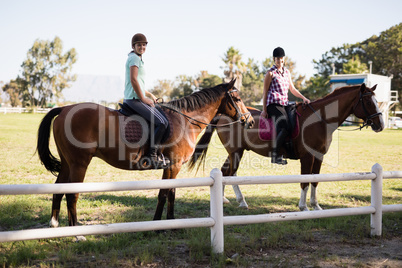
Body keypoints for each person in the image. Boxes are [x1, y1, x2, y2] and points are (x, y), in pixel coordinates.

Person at [123, 33, 169, 169]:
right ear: (133, 46)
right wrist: (143, 98)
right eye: (139, 45)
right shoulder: (134, 59)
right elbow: (133, 79)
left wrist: (150, 94)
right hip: (134, 100)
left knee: (160, 117)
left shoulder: (136, 58)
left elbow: (139, 84)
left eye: (144, 45)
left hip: (136, 98)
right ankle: (152, 156)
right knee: (162, 122)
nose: (142, 47)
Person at [261, 47, 310, 165]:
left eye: (281, 59)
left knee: (295, 121)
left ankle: (290, 149)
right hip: (273, 104)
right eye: (277, 59)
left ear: (284, 59)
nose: (279, 61)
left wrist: (303, 98)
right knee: (284, 126)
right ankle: (274, 155)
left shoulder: (287, 72)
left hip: (285, 103)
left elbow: (292, 89)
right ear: (274, 59)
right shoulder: (270, 73)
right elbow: (265, 91)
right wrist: (264, 109)